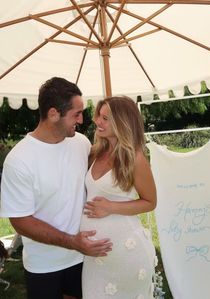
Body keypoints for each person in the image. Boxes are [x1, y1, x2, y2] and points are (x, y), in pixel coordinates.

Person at [0, 77, 112, 299]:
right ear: (53, 114)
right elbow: (20, 221)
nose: (82, 119)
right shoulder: (19, 160)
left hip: (83, 257)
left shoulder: (81, 143)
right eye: (76, 114)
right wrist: (72, 242)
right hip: (44, 265)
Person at [80, 96, 157, 299]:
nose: (97, 121)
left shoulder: (135, 158)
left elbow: (150, 202)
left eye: (105, 118)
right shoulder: (95, 152)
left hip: (127, 254)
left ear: (122, 123)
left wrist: (111, 207)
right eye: (99, 115)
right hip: (94, 258)